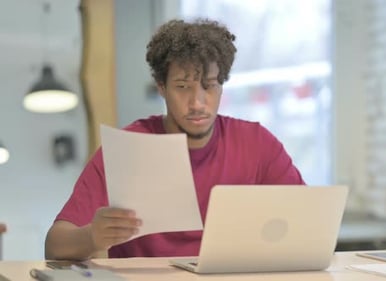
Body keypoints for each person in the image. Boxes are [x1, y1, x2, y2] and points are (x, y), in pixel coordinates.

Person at [45, 18, 305, 260]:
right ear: (161, 87)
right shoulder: (127, 149)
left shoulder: (256, 143)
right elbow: (54, 245)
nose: (197, 103)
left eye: (209, 86)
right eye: (182, 87)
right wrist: (91, 237)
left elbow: (306, 222)